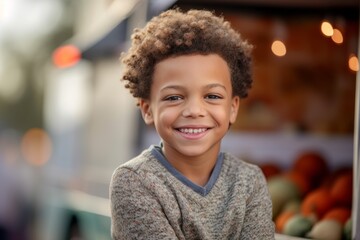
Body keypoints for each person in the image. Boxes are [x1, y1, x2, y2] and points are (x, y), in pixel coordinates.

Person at [110, 8, 275, 240]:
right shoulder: (134, 181)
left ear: (233, 108)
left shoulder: (249, 181)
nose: (195, 111)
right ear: (147, 109)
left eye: (212, 96)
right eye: (174, 97)